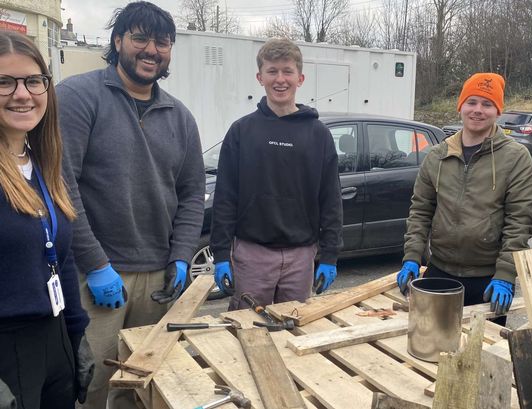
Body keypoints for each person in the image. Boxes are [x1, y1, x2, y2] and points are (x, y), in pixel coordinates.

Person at [56, 2, 205, 408]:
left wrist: (181, 257)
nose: (151, 50)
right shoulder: (77, 97)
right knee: (90, 385)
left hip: (159, 279)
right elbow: (61, 184)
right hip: (96, 277)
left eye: (162, 42)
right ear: (118, 40)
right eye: (140, 38)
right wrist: (95, 263)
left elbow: (193, 193)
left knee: (144, 385)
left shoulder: (181, 117)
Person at [210, 38, 343, 310]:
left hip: (301, 256)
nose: (280, 79)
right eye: (272, 71)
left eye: (287, 71)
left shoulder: (319, 135)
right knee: (248, 330)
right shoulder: (241, 132)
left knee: (293, 330)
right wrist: (221, 253)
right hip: (251, 254)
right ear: (260, 77)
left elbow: (330, 200)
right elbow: (225, 197)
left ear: (300, 78)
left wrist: (330, 255)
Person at [0, 31, 93, 408]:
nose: (22, 94)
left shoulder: (40, 165)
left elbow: (62, 260)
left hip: (54, 340)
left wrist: (76, 332)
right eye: (4, 82)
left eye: (33, 81)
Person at [397, 73, 532, 317]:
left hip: (487, 278)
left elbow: (520, 221)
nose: (478, 110)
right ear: (461, 106)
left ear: (498, 111)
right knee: (430, 346)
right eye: (472, 102)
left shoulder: (515, 157)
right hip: (439, 270)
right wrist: (412, 256)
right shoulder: (437, 156)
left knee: (481, 350)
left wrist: (505, 274)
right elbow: (420, 210)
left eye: (487, 104)